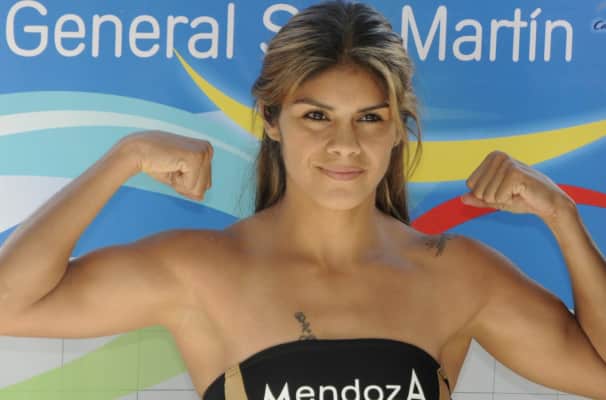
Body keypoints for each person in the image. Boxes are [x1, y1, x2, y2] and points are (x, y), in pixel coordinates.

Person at [0, 1, 605, 399]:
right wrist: (125, 156)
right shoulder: (201, 269)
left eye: (370, 117)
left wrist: (562, 216)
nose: (345, 144)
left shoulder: (457, 273)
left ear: (398, 129)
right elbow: (11, 304)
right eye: (316, 116)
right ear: (271, 120)